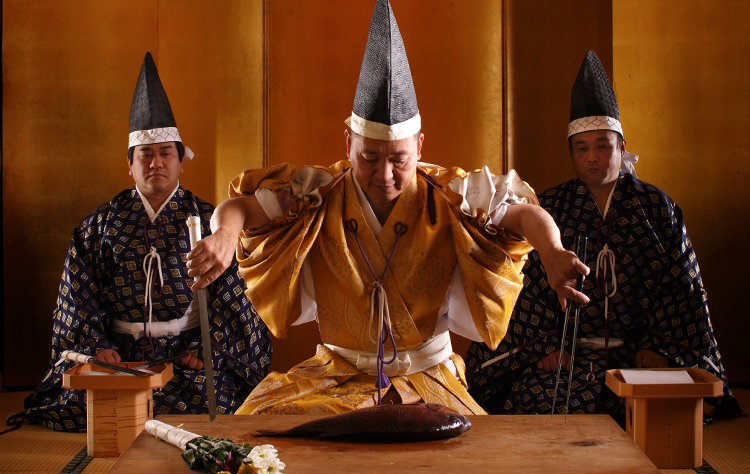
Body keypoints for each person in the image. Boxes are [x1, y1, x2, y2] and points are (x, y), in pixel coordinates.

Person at [185, 0, 587, 416]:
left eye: (399, 159)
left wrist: (553, 251)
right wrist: (225, 236)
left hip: (428, 377)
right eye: (369, 158)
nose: (385, 175)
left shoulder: (451, 194)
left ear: (419, 147)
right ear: (348, 144)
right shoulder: (315, 192)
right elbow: (240, 208)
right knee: (263, 435)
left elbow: (524, 214)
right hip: (335, 375)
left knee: (458, 464)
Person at [465, 51, 742, 422]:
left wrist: (660, 347)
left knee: (656, 412)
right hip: (566, 354)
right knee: (534, 403)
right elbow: (522, 281)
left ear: (622, 147)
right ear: (572, 154)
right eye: (583, 148)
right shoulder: (551, 205)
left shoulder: (657, 209)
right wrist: (543, 346)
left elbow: (681, 284)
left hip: (637, 356)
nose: (593, 157)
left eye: (603, 145)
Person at [21, 53, 272, 432]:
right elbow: (77, 296)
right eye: (146, 155)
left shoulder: (209, 221)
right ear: (130, 164)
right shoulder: (98, 226)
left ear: (180, 162)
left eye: (165, 154)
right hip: (118, 358)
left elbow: (237, 293)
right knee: (77, 402)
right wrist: (94, 346)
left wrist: (209, 347)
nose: (156, 163)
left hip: (184, 359)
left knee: (217, 400)